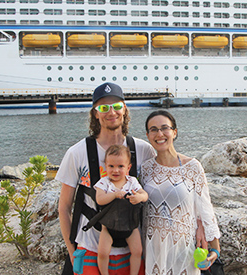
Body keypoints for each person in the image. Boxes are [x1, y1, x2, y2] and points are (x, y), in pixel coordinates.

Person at [56, 82, 156, 275]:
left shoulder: (143, 150)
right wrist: (71, 250)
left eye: (117, 106)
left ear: (124, 109)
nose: (112, 112)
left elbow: (160, 191)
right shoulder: (77, 153)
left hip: (134, 249)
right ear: (95, 113)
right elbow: (64, 207)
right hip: (91, 248)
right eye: (103, 107)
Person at [141, 110, 221, 275]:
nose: (160, 134)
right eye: (154, 129)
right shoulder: (145, 169)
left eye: (165, 128)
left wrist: (216, 249)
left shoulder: (192, 166)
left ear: (174, 132)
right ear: (148, 135)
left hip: (183, 247)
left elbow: (205, 208)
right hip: (152, 247)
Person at [95, 144, 148, 275]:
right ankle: (104, 273)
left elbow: (145, 195)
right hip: (108, 227)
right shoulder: (104, 182)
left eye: (120, 166)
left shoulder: (132, 182)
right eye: (111, 166)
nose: (115, 170)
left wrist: (139, 197)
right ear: (105, 167)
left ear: (128, 167)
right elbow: (99, 200)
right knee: (102, 253)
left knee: (137, 251)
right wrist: (113, 194)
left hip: (130, 224)